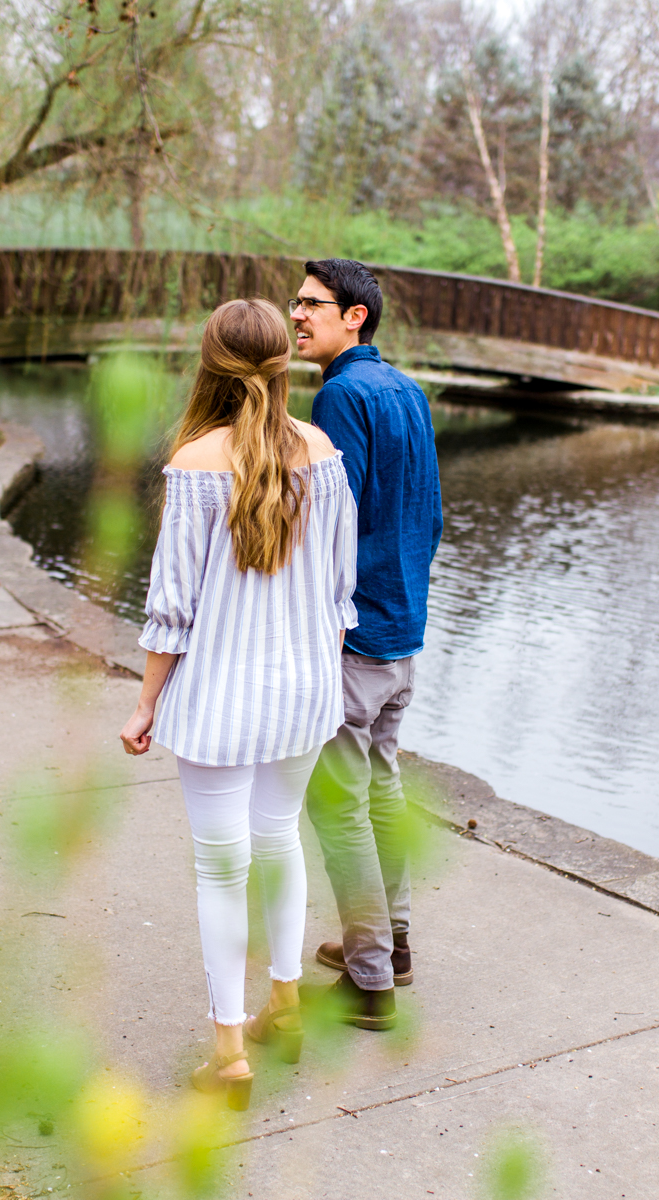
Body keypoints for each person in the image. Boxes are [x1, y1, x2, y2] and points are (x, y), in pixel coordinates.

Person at [119, 298, 358, 1109]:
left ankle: (227, 1054)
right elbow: (338, 592)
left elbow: (170, 613)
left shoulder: (192, 465)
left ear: (209, 365)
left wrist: (146, 705)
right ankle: (284, 1010)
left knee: (221, 871)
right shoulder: (322, 453)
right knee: (279, 838)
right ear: (282, 367)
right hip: (303, 693)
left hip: (219, 699)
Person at [289, 259, 443, 1030]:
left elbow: (330, 524)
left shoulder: (342, 395)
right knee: (380, 787)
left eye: (312, 304)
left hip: (355, 632)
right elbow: (431, 515)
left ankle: (370, 976)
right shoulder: (408, 391)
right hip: (403, 628)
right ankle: (394, 943)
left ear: (356, 317)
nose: (296, 314)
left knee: (339, 804)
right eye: (296, 302)